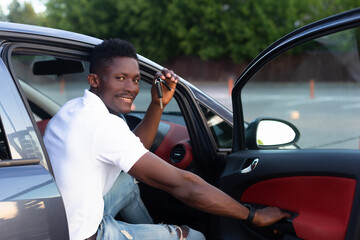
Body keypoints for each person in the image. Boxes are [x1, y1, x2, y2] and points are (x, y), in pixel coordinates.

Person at [44, 39, 290, 240]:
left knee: (128, 181)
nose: (131, 87)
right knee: (194, 237)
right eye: (120, 78)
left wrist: (157, 104)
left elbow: (134, 146)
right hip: (84, 234)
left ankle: (153, 230)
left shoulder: (75, 109)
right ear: (95, 81)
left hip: (62, 217)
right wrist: (252, 216)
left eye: (136, 79)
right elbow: (184, 185)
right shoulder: (102, 125)